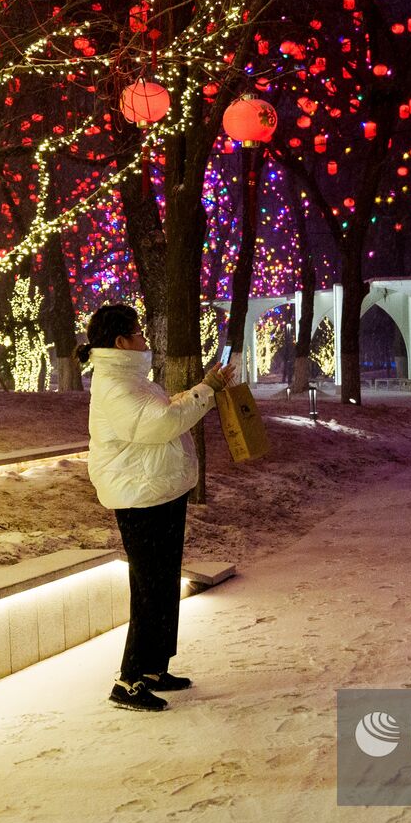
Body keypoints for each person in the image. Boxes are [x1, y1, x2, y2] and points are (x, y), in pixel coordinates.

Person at [79, 304, 236, 712]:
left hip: (158, 488)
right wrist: (207, 391)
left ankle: (154, 669)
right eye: (138, 332)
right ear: (121, 342)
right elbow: (160, 423)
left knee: (165, 582)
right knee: (149, 587)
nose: (144, 339)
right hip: (138, 495)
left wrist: (203, 387)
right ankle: (129, 680)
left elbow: (163, 411)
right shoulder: (115, 384)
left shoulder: (130, 378)